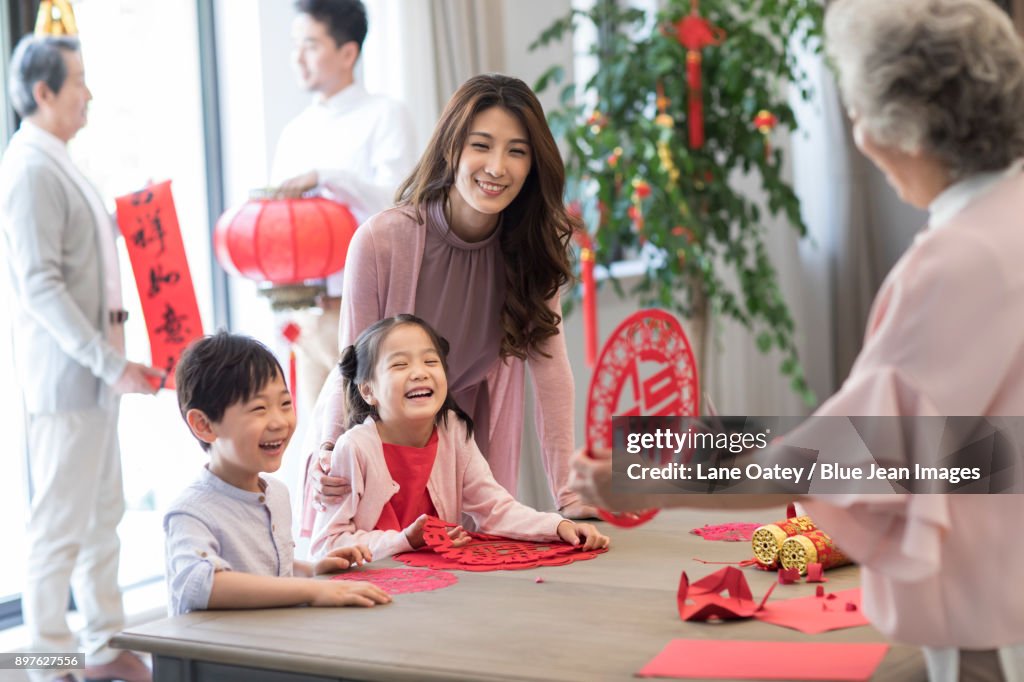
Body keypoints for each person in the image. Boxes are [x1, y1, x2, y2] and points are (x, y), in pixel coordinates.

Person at [569, 0, 1024, 679]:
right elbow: (970, 449)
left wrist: (652, 473)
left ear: (897, 128)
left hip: (992, 613)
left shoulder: (957, 261)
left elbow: (838, 456)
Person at [306, 74, 595, 536]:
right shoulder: (380, 241)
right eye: (481, 145)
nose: (497, 167)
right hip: (381, 434)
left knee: (474, 565)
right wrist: (330, 450)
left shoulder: (529, 250)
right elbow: (352, 366)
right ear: (451, 148)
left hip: (466, 435)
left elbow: (551, 370)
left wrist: (569, 494)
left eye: (517, 151)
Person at [0, 34, 166, 682]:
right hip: (69, 382)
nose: (88, 93)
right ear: (43, 93)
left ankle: (101, 644)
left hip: (96, 378)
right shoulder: (31, 169)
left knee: (104, 517)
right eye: (78, 81)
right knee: (59, 529)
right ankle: (48, 664)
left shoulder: (57, 161)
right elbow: (39, 284)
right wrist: (105, 360)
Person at [311, 315, 610, 559]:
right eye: (400, 365)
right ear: (368, 391)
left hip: (443, 588)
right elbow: (329, 544)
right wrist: (404, 541)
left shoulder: (453, 432)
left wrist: (557, 526)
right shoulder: (353, 448)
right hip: (376, 593)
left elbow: (496, 510)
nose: (419, 373)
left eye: (430, 362)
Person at [165, 331, 391, 616]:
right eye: (259, 408)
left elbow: (265, 569)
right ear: (204, 425)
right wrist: (315, 590)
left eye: (285, 404)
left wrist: (312, 570)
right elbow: (203, 584)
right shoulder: (191, 511)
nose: (279, 421)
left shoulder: (276, 493)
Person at [271, 0, 416, 414]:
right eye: (295, 44)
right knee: (313, 449)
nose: (298, 56)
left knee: (366, 438)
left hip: (367, 312)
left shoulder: (386, 115)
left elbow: (400, 205)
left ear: (348, 52)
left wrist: (329, 176)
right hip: (306, 315)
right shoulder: (295, 132)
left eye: (311, 44)